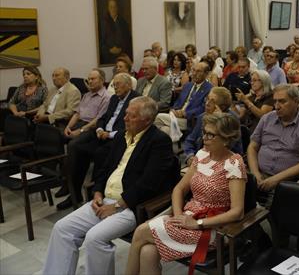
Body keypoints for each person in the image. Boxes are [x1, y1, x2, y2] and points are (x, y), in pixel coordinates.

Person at [42, 96, 179, 275]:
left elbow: (149, 183)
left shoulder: (159, 141)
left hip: (131, 206)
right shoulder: (122, 135)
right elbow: (104, 167)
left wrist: (116, 206)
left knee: (94, 238)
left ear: (147, 120)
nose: (125, 118)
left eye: (132, 116)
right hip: (105, 200)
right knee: (62, 228)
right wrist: (97, 191)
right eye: (126, 114)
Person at [125, 113, 246, 275]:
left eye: (210, 135)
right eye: (204, 133)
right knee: (148, 252)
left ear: (226, 139)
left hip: (212, 227)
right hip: (187, 217)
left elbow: (238, 212)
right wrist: (179, 216)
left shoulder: (234, 163)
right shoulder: (202, 155)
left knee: (141, 232)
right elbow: (179, 189)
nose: (204, 138)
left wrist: (197, 223)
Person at [56, 73, 139, 210]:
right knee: (77, 148)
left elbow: (131, 126)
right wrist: (100, 129)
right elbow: (103, 117)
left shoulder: (136, 99)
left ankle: (95, 193)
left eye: (117, 84)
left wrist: (110, 134)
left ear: (128, 85)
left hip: (119, 138)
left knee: (100, 153)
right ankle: (74, 193)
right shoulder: (114, 98)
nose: (114, 87)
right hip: (102, 134)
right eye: (113, 85)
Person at [247, 84, 299, 206]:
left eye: (282, 101)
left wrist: (276, 179)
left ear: (296, 101)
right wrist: (255, 174)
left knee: (270, 213)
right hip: (259, 174)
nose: (277, 106)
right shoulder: (267, 118)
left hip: (286, 181)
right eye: (275, 101)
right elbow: (252, 147)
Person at [184, 87, 243, 164]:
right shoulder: (203, 117)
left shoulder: (231, 120)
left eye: (213, 101)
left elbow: (227, 147)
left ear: (222, 107)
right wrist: (190, 156)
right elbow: (190, 140)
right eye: (207, 99)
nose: (207, 103)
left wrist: (219, 120)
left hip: (224, 161)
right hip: (200, 159)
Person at [155, 61, 212, 132]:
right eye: (193, 70)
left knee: (158, 117)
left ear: (206, 74)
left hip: (190, 120)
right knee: (165, 130)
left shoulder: (209, 89)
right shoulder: (188, 85)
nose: (194, 74)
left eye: (198, 71)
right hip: (176, 116)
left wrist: (185, 113)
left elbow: (203, 109)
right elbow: (179, 101)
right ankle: (175, 142)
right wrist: (173, 110)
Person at [63, 69, 111, 140]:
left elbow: (97, 120)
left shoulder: (106, 97)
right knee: (60, 135)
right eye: (89, 79)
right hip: (79, 123)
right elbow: (77, 114)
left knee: (73, 144)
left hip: (90, 128)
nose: (90, 81)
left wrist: (80, 130)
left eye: (93, 79)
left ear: (102, 80)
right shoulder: (86, 95)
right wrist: (68, 127)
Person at [98, 0, 132, 65]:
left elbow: (128, 40)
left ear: (117, 8)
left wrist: (121, 49)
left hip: (122, 56)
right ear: (108, 8)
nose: (113, 9)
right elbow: (100, 41)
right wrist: (109, 50)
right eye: (111, 7)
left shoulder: (123, 22)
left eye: (115, 6)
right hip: (108, 57)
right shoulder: (102, 23)